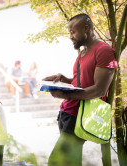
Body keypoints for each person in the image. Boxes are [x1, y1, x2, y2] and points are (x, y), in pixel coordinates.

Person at [43, 14, 117, 166]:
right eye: (69, 32)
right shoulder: (83, 53)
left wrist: (66, 95)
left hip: (80, 116)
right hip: (67, 114)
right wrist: (64, 79)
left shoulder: (104, 51)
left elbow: (99, 90)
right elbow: (81, 80)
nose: (70, 36)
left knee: (56, 162)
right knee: (71, 162)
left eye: (73, 32)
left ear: (86, 28)